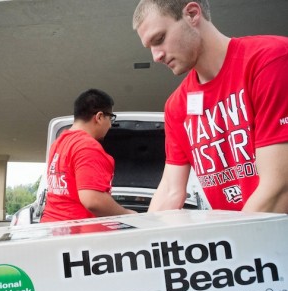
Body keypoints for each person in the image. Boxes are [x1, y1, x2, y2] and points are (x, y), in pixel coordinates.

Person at [132, 0, 288, 213]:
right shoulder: (177, 105)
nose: (156, 56)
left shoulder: (270, 61)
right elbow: (169, 190)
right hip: (238, 237)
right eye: (150, 47)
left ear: (193, 14)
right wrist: (145, 240)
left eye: (159, 39)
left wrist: (234, 243)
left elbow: (279, 186)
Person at [40, 89, 136, 222]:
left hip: (51, 229)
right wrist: (127, 214)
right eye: (111, 119)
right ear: (99, 117)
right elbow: (93, 200)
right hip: (77, 235)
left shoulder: (58, 144)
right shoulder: (87, 146)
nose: (110, 125)